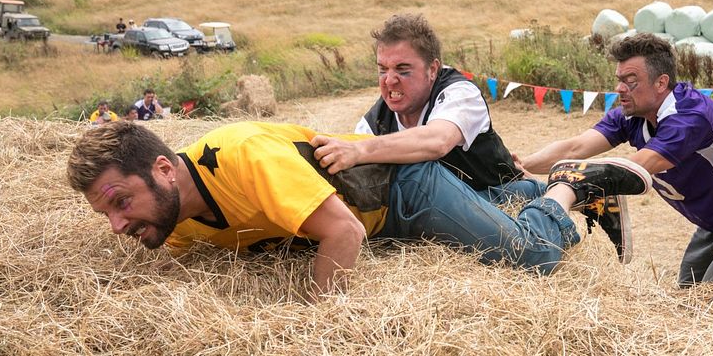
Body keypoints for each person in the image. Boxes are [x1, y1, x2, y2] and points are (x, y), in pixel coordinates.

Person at [66, 121, 651, 297]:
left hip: (402, 194)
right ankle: (517, 195)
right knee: (494, 215)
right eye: (107, 216)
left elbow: (342, 232)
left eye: (122, 203)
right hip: (381, 222)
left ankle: (571, 185)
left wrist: (327, 327)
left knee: (532, 256)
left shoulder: (245, 161)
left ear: (163, 169)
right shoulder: (170, 219)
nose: (120, 226)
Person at [310, 13, 632, 260]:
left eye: (403, 70)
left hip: (499, 186)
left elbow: (437, 141)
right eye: (382, 69)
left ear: (433, 69)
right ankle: (582, 192)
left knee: (531, 254)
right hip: (464, 197)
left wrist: (361, 151)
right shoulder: (373, 122)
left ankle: (566, 188)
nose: (390, 80)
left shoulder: (459, 92)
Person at [521, 33, 713, 287]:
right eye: (618, 79)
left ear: (661, 82)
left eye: (630, 80)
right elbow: (575, 147)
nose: (620, 88)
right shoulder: (633, 115)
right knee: (687, 292)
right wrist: (520, 166)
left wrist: (576, 185)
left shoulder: (689, 117)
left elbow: (637, 168)